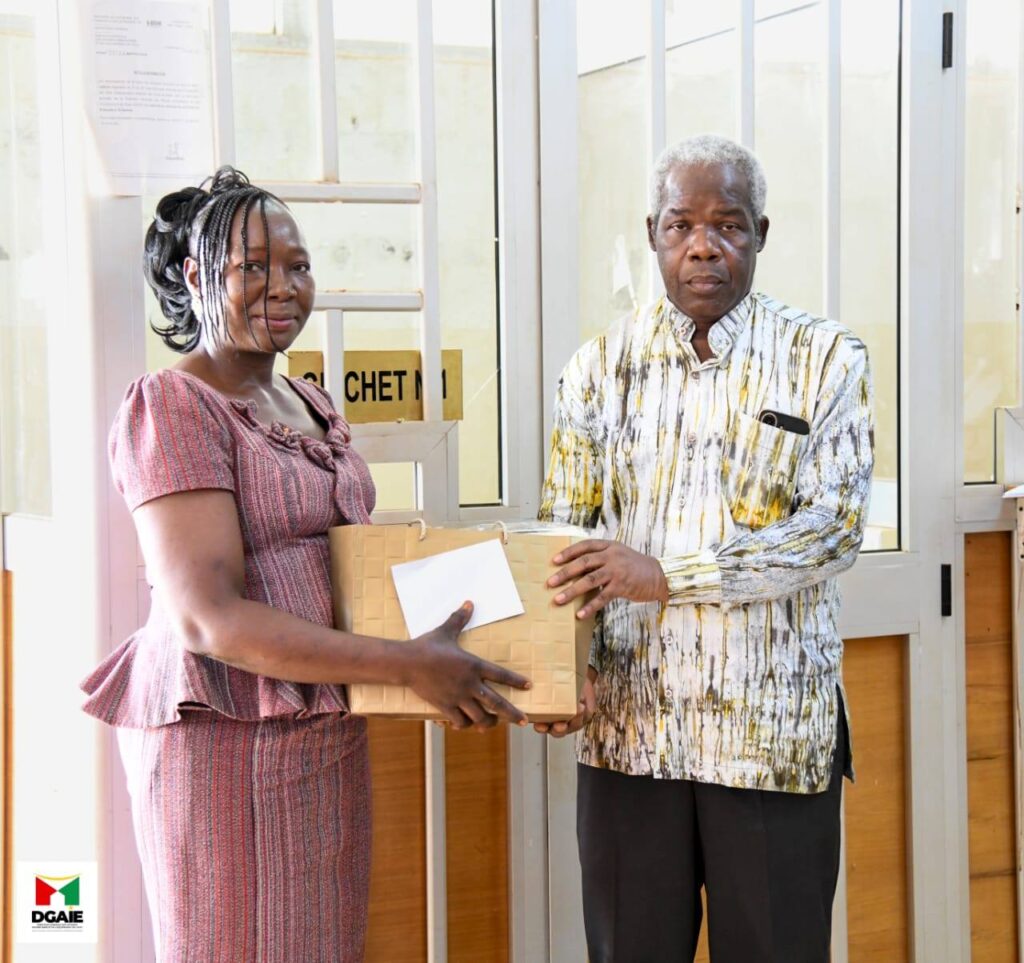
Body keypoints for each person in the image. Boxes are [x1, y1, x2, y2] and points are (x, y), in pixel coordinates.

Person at [80, 166, 530, 963]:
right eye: (253, 266)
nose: (283, 286)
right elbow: (206, 618)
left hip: (322, 736)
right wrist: (408, 665)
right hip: (222, 743)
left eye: (298, 265)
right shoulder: (174, 405)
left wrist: (513, 641)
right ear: (196, 277)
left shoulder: (311, 403)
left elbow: (355, 564)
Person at [535, 135, 873, 962]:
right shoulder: (596, 370)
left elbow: (834, 526)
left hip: (770, 738)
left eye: (727, 224)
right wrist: (560, 667)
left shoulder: (826, 358)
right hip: (629, 733)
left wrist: (667, 575)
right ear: (652, 233)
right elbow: (565, 535)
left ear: (761, 233)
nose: (703, 245)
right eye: (681, 224)